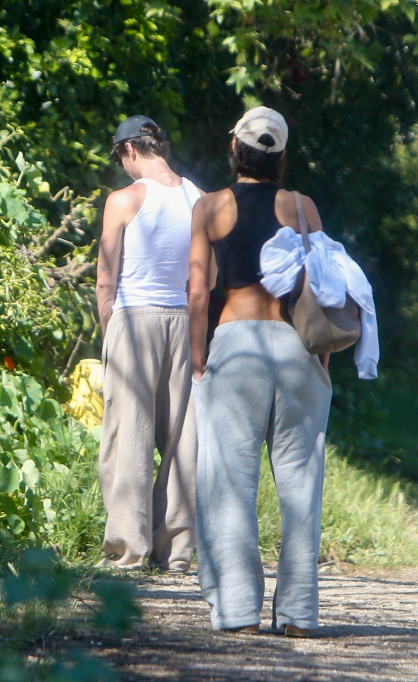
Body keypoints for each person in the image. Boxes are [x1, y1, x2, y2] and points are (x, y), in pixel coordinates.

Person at [187, 106, 333, 637]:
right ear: (282, 157)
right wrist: (323, 358)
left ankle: (238, 610)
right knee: (300, 484)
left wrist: (198, 359)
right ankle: (298, 615)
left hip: (236, 345)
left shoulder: (210, 207)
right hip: (295, 346)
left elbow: (198, 291)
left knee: (230, 481)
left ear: (234, 149)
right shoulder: (301, 206)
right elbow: (324, 283)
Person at [95, 115, 208, 573]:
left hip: (134, 319)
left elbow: (106, 278)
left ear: (130, 150)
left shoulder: (124, 200)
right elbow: (209, 277)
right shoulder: (200, 198)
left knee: (129, 436)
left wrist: (111, 332)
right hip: (183, 318)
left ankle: (129, 549)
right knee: (183, 438)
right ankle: (177, 550)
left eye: (119, 158)